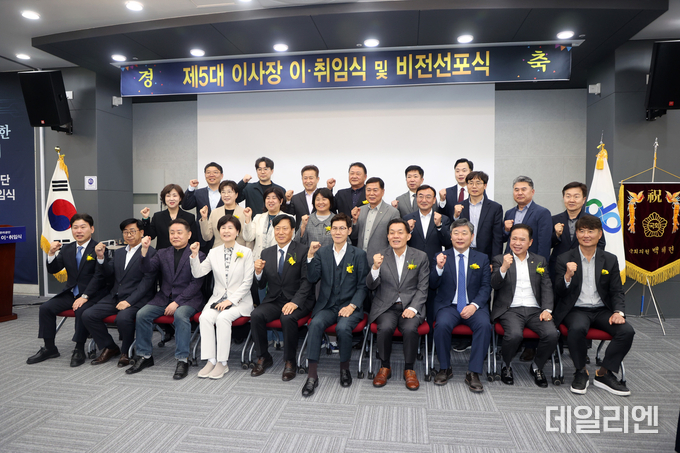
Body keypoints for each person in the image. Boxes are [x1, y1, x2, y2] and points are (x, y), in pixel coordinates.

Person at [554, 215, 635, 396]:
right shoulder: (564, 258)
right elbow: (558, 292)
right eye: (582, 231)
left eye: (591, 231)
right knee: (577, 328)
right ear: (576, 234)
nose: (586, 235)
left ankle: (604, 373)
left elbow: (616, 291)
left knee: (626, 331)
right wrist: (567, 276)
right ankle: (581, 371)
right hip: (576, 309)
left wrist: (618, 312)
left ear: (599, 234)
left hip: (602, 310)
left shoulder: (610, 259)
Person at [126, 219, 206, 380]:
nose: (175, 236)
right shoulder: (162, 253)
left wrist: (177, 302)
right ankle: (145, 356)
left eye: (179, 232)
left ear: (189, 234)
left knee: (180, 315)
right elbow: (147, 269)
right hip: (164, 297)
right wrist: (144, 250)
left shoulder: (198, 254)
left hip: (189, 299)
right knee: (142, 314)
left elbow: (196, 283)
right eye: (172, 233)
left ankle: (183, 359)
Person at [27, 213, 109, 367]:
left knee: (81, 310)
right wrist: (51, 253)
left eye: (83, 227)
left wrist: (85, 296)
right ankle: (49, 348)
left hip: (93, 294)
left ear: (92, 229)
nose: (79, 231)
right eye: (75, 227)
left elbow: (100, 277)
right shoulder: (67, 248)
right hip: (71, 292)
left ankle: (79, 348)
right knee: (45, 308)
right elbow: (54, 269)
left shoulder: (99, 248)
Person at [302, 213, 369, 397]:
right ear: (330, 231)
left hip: (350, 306)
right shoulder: (322, 252)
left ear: (349, 230)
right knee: (315, 324)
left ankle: (344, 369)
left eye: (342, 228)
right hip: (328, 305)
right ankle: (312, 375)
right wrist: (310, 255)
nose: (337, 232)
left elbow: (363, 286)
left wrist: (352, 306)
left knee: (343, 328)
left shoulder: (359, 255)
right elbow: (312, 277)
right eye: (334, 228)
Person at [490, 224, 559, 388]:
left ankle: (537, 366)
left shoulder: (539, 260)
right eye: (514, 239)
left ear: (530, 242)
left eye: (522, 239)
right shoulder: (500, 259)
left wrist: (547, 309)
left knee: (551, 334)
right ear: (509, 240)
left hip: (536, 310)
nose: (517, 243)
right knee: (514, 335)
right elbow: (494, 284)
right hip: (510, 309)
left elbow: (546, 286)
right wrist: (503, 268)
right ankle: (506, 365)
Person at [81, 218, 156, 367]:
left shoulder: (150, 252)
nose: (129, 235)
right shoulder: (119, 252)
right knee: (88, 315)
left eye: (132, 231)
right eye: (125, 232)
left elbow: (147, 282)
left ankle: (125, 351)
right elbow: (109, 273)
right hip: (116, 296)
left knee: (123, 318)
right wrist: (101, 257)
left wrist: (129, 301)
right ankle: (109, 346)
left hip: (137, 298)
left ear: (141, 232)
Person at [366, 218, 429, 390]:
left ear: (408, 236)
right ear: (387, 236)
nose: (396, 236)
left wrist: (413, 308)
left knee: (410, 328)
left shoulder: (420, 256)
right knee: (385, 327)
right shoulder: (380, 256)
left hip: (411, 305)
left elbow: (423, 287)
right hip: (386, 306)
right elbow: (370, 286)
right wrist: (375, 268)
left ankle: (409, 369)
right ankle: (384, 366)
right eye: (392, 233)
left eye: (400, 232)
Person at [250, 216, 315, 380]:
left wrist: (295, 302)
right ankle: (263, 356)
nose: (280, 232)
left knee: (287, 318)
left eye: (285, 228)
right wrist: (258, 272)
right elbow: (261, 284)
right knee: (256, 315)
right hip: (275, 299)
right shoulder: (266, 252)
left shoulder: (303, 250)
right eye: (277, 228)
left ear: (292, 230)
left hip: (298, 300)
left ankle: (290, 361)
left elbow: (307, 282)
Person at [431, 219, 492, 392]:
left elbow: (486, 287)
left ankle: (473, 372)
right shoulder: (441, 256)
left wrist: (474, 305)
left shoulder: (482, 258)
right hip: (449, 305)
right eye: (456, 233)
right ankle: (445, 368)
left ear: (472, 237)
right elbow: (432, 284)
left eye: (464, 233)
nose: (460, 237)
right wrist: (439, 267)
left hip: (474, 306)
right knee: (441, 325)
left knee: (484, 325)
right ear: (450, 236)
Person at [191, 215, 254, 379]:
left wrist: (230, 301)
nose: (226, 231)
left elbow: (247, 282)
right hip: (218, 299)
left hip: (239, 301)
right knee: (205, 318)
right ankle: (210, 360)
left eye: (230, 228)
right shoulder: (213, 252)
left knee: (222, 318)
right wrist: (194, 256)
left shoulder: (246, 252)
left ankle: (222, 362)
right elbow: (198, 273)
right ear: (219, 231)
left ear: (237, 231)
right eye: (223, 228)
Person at [403, 184, 452, 331]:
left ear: (434, 200)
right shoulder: (407, 218)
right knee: (412, 301)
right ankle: (413, 335)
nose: (424, 200)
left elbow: (448, 243)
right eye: (420, 196)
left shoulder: (443, 218)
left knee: (431, 303)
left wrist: (439, 226)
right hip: (411, 267)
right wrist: (409, 231)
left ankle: (430, 339)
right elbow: (401, 243)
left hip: (434, 267)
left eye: (428, 197)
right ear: (416, 198)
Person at [549, 181, 605, 282]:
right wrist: (556, 235)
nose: (571, 200)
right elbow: (547, 244)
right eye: (568, 196)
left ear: (583, 200)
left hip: (584, 267)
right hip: (558, 268)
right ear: (563, 198)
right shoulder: (554, 220)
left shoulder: (592, 220)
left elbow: (600, 243)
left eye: (576, 196)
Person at [452, 171, 503, 263]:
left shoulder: (495, 208)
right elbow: (453, 230)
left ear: (485, 186)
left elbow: (497, 238)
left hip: (486, 255)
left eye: (478, 183)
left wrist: (495, 261)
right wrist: (456, 216)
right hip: (463, 253)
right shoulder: (460, 206)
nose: (474, 186)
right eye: (471, 183)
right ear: (467, 185)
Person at [352, 177, 400, 267]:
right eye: (368, 190)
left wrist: (387, 259)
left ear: (383, 192)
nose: (371, 193)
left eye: (375, 190)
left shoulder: (392, 212)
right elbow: (354, 236)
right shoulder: (360, 210)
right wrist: (354, 221)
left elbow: (394, 239)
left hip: (381, 261)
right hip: (360, 260)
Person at [242, 186, 295, 261]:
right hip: (258, 260)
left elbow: (290, 240)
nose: (270, 201)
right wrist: (247, 218)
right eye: (268, 198)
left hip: (278, 260)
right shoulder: (258, 217)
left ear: (281, 201)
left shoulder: (289, 218)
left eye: (274, 198)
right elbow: (248, 238)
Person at [141, 183, 199, 250]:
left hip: (183, 253)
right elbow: (150, 235)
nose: (171, 199)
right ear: (164, 198)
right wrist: (145, 219)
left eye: (175, 196)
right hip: (162, 254)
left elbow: (193, 239)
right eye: (168, 196)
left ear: (180, 198)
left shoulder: (189, 217)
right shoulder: (158, 216)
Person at [182, 162, 224, 253]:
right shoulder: (198, 193)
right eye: (208, 172)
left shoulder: (227, 193)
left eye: (215, 172)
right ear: (205, 175)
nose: (211, 175)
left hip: (222, 236)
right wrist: (191, 188)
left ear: (221, 175)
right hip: (202, 238)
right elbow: (185, 206)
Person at [198, 180, 248, 249]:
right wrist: (204, 218)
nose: (226, 195)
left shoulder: (245, 212)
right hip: (218, 251)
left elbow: (248, 237)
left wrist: (249, 252)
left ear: (236, 195)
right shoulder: (215, 212)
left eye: (229, 192)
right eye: (223, 192)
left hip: (239, 251)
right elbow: (207, 237)